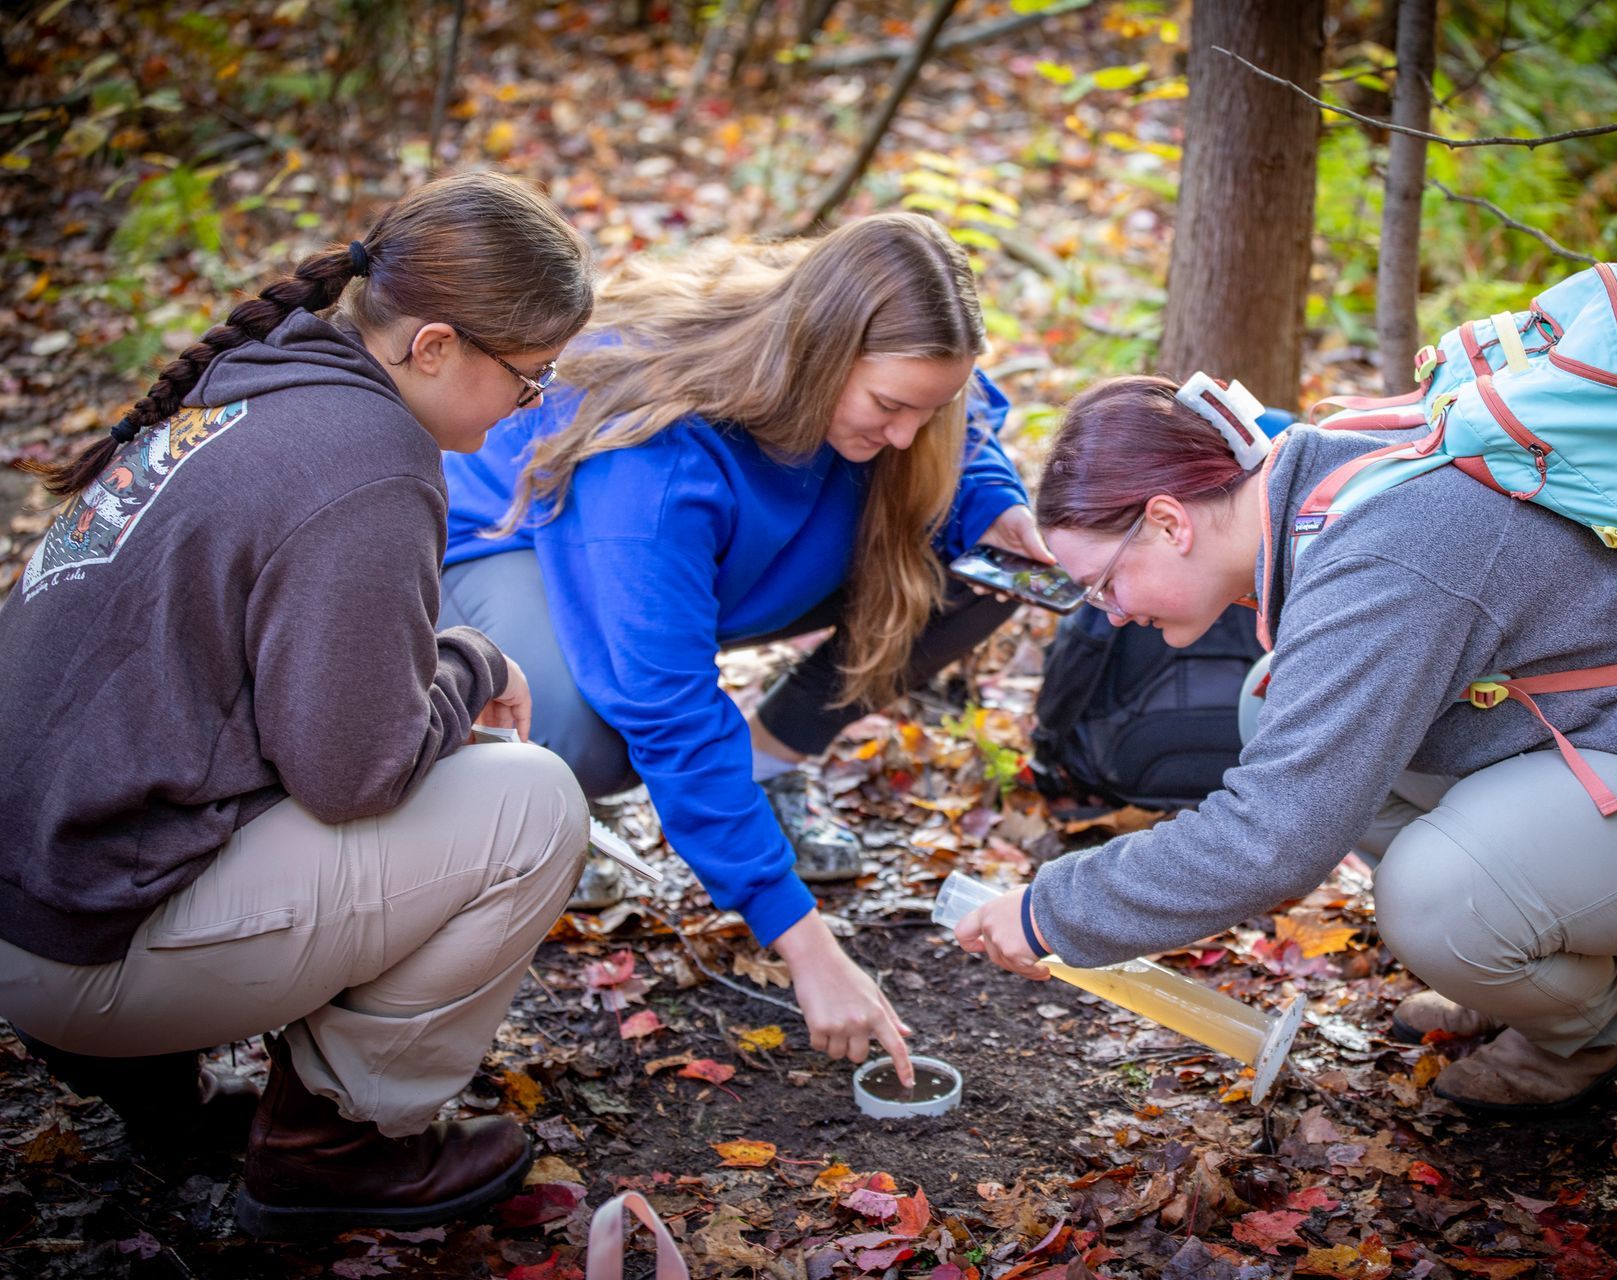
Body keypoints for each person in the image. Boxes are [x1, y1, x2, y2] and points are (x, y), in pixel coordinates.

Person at [956, 374, 1617, 1113]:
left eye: (1103, 585)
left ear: (1168, 521)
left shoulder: (1383, 556)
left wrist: (1049, 912)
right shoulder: (1323, 488)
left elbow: (1273, 838)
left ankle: (1599, 1024)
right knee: (1275, 705)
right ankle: (1534, 955)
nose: (1111, 614)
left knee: (1433, 898)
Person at [0, 170, 598, 1236]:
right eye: (529, 375)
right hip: (76, 949)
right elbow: (350, 772)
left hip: (35, 892)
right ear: (434, 346)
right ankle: (337, 1143)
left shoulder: (255, 382)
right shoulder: (371, 460)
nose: (529, 403)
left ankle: (163, 1095)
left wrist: (437, 665)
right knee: (532, 800)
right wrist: (471, 666)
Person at [437, 212, 1043, 1084]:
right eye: (889, 408)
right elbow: (666, 701)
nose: (909, 435)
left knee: (987, 568)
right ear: (821, 352)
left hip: (728, 559)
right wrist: (802, 940)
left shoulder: (892, 390)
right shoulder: (655, 448)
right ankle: (548, 816)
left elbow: (969, 421)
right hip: (519, 548)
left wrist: (992, 507)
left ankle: (769, 759)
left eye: (929, 408)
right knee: (596, 735)